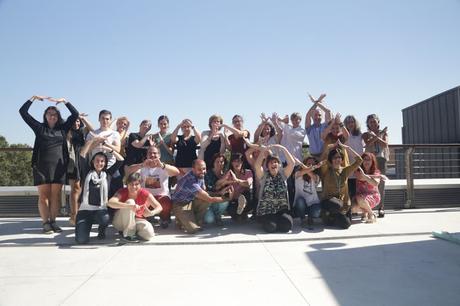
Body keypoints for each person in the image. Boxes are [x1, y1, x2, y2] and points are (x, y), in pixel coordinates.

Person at [19, 95, 79, 234]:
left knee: (55, 196)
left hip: (59, 166)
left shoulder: (63, 129)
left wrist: (65, 101)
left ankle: (53, 222)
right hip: (42, 167)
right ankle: (45, 223)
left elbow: (75, 114)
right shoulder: (39, 128)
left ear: (58, 117)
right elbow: (23, 112)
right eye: (49, 114)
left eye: (55, 114)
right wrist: (32, 98)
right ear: (45, 116)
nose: (52, 116)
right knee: (44, 196)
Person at [74, 137, 124, 244]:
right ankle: (86, 226)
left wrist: (109, 148)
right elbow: (82, 155)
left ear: (105, 163)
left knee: (105, 218)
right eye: (97, 160)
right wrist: (92, 141)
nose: (99, 163)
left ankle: (101, 229)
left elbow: (121, 160)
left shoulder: (108, 174)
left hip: (100, 210)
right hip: (85, 211)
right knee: (81, 240)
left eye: (102, 161)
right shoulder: (87, 171)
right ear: (92, 162)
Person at [171, 159, 232, 234]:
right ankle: (180, 220)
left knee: (204, 200)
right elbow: (210, 199)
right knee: (192, 230)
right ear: (193, 169)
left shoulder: (200, 175)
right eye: (199, 169)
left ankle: (194, 221)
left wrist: (219, 192)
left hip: (190, 200)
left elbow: (205, 192)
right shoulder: (191, 182)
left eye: (204, 169)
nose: (203, 171)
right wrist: (226, 198)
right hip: (180, 204)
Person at [125, 145, 180, 228]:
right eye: (150, 153)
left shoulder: (163, 167)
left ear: (159, 155)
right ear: (146, 155)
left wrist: (162, 166)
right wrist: (141, 165)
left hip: (161, 197)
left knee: (165, 203)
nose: (152, 155)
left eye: (155, 153)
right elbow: (128, 171)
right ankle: (146, 217)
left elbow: (176, 172)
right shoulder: (143, 166)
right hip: (146, 197)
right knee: (138, 205)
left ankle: (164, 218)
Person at [317, 141, 363, 229]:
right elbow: (322, 161)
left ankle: (335, 216)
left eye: (339, 157)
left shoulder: (345, 170)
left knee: (346, 224)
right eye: (334, 157)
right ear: (331, 159)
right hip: (328, 201)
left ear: (342, 159)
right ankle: (328, 215)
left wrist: (348, 148)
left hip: (343, 204)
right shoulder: (326, 170)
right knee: (336, 206)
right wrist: (327, 149)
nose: (337, 159)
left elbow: (359, 160)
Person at [109, 172, 163, 242]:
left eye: (136, 184)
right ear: (127, 185)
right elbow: (110, 202)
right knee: (130, 201)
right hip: (120, 221)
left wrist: (151, 213)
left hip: (137, 220)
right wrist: (130, 206)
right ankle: (129, 235)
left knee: (148, 235)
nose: (134, 187)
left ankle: (132, 232)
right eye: (131, 184)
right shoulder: (122, 191)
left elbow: (159, 207)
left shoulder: (144, 193)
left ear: (140, 184)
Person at [254, 144, 295, 233]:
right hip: (266, 211)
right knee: (271, 227)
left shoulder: (283, 175)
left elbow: (292, 163)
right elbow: (257, 165)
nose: (273, 164)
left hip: (281, 209)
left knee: (287, 226)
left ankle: (277, 221)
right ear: (267, 166)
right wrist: (264, 150)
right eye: (271, 162)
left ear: (279, 165)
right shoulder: (264, 176)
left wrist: (283, 148)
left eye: (276, 162)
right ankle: (266, 221)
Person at [85, 109, 122, 197]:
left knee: (114, 193)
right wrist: (97, 141)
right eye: (102, 118)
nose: (105, 121)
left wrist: (106, 144)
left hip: (111, 168)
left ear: (110, 120)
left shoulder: (115, 134)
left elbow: (118, 149)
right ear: (99, 119)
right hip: (96, 168)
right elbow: (86, 150)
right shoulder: (91, 134)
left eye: (107, 119)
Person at [362, 114, 389, 217]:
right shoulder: (365, 134)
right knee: (368, 184)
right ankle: (368, 209)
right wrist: (378, 135)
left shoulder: (384, 133)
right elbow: (367, 144)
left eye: (374, 121)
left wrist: (378, 135)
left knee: (381, 184)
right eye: (371, 122)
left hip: (381, 160)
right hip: (369, 161)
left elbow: (385, 144)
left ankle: (381, 208)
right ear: (368, 123)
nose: (373, 123)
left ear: (378, 122)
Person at [66, 116, 87, 226]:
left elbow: (93, 131)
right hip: (73, 161)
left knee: (82, 189)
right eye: (74, 121)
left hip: (83, 161)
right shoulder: (68, 132)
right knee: (75, 188)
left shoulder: (83, 132)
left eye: (78, 121)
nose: (76, 123)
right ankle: (73, 215)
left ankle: (79, 214)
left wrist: (84, 119)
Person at [293, 157, 322, 228]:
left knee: (317, 213)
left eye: (313, 164)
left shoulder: (316, 176)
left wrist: (302, 164)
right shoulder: (298, 174)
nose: (311, 165)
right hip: (302, 204)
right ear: (305, 164)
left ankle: (310, 217)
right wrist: (314, 167)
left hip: (313, 203)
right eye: (309, 164)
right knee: (300, 201)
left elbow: (311, 174)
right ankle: (303, 218)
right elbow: (305, 171)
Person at [203, 153, 232, 226]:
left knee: (226, 200)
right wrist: (220, 192)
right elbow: (207, 192)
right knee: (209, 220)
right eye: (217, 161)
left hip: (219, 202)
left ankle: (218, 216)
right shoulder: (207, 174)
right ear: (213, 162)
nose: (219, 164)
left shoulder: (225, 175)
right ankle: (209, 215)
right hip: (208, 202)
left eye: (221, 162)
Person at [353, 152, 381, 224]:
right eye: (365, 159)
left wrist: (365, 176)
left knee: (359, 198)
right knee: (352, 208)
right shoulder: (357, 171)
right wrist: (369, 177)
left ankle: (371, 214)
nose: (367, 162)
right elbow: (360, 177)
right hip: (360, 197)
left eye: (369, 160)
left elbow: (375, 183)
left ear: (372, 162)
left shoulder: (376, 172)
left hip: (373, 196)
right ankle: (367, 212)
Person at [226, 153, 253, 221]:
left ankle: (243, 207)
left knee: (246, 193)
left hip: (245, 197)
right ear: (232, 163)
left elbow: (248, 183)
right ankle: (239, 214)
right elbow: (219, 184)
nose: (237, 163)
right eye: (235, 161)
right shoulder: (228, 173)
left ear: (242, 162)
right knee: (233, 212)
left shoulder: (248, 172)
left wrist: (236, 180)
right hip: (233, 199)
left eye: (239, 161)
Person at [305, 93, 332, 159]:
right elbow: (308, 114)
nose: (317, 117)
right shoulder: (309, 128)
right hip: (313, 157)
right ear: (312, 117)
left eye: (319, 115)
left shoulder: (325, 126)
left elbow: (328, 112)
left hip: (324, 155)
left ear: (322, 116)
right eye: (315, 115)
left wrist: (317, 102)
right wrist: (317, 102)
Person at [344, 115, 364, 200]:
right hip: (349, 164)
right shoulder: (344, 134)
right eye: (348, 122)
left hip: (359, 163)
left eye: (352, 122)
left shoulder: (360, 134)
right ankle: (350, 209)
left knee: (359, 188)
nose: (350, 124)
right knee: (350, 188)